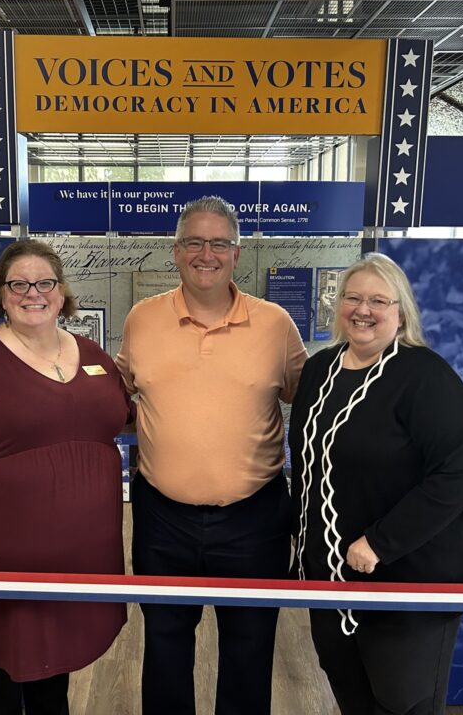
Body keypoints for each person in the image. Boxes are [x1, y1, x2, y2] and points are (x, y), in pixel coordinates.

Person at [0, 240, 133, 715]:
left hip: (77, 562)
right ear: (2, 293)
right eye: (19, 284)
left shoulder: (95, 356)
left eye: (45, 282)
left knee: (53, 679)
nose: (33, 292)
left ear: (61, 290)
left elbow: (126, 419)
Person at [116, 197, 307, 715]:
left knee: (249, 650)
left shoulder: (275, 325)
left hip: (255, 518)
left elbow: (310, 402)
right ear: (174, 253)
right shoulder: (141, 320)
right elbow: (116, 402)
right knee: (165, 647)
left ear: (237, 252)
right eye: (195, 242)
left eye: (219, 242)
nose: (207, 253)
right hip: (162, 517)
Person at [289, 252, 463, 715]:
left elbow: (457, 473)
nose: (363, 309)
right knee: (352, 698)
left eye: (378, 300)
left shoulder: (425, 376)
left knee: (402, 704)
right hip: (331, 582)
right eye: (352, 297)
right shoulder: (318, 371)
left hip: (408, 583)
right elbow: (308, 466)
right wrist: (298, 544)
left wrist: (380, 542)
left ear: (401, 312)